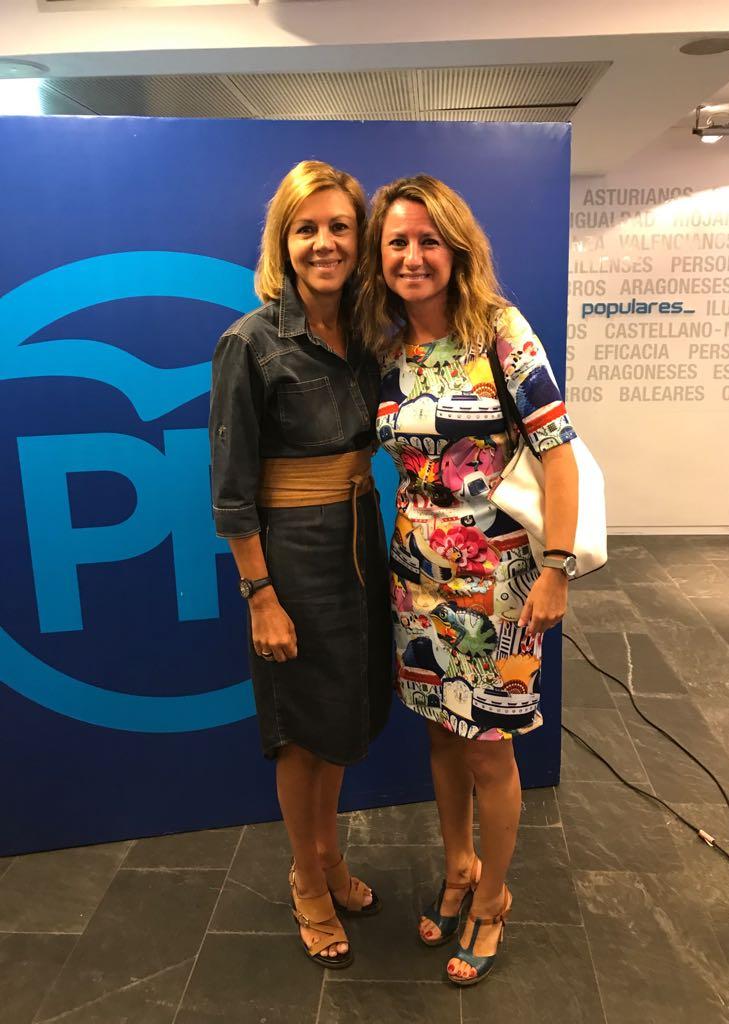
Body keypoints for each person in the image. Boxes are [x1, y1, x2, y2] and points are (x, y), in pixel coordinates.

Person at [358, 175, 578, 986]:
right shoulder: (389, 352)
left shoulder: (500, 331)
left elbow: (559, 454)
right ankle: (458, 867)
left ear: (456, 249)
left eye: (428, 241)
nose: (413, 257)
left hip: (501, 588)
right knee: (442, 733)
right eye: (397, 243)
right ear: (380, 257)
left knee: (490, 749)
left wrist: (556, 569)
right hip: (414, 583)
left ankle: (492, 896)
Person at [209, 160, 392, 969]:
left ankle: (329, 856)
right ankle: (306, 880)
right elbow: (230, 492)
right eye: (306, 228)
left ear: (360, 238)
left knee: (338, 719)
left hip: (361, 541)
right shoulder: (250, 343)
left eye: (339, 227)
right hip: (291, 554)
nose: (325, 242)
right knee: (299, 734)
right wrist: (261, 596)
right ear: (282, 241)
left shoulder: (368, 337)